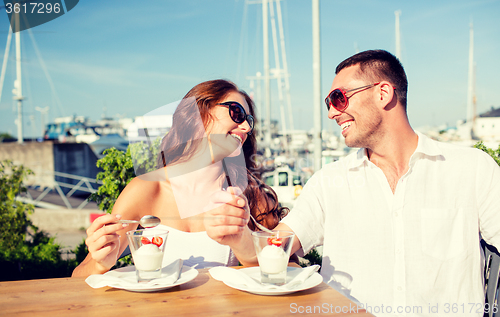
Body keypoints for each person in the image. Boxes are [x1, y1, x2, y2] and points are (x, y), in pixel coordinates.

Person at [204, 50, 500, 316]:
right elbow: (276, 251)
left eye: (338, 98)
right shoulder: (328, 183)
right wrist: (237, 236)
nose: (332, 113)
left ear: (383, 93)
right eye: (328, 103)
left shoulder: (472, 169)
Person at [72, 79, 288, 277]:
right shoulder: (146, 189)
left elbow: (289, 271)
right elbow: (79, 277)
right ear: (198, 113)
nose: (247, 127)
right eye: (237, 113)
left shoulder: (250, 194)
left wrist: (244, 245)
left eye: (249, 120)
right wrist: (100, 264)